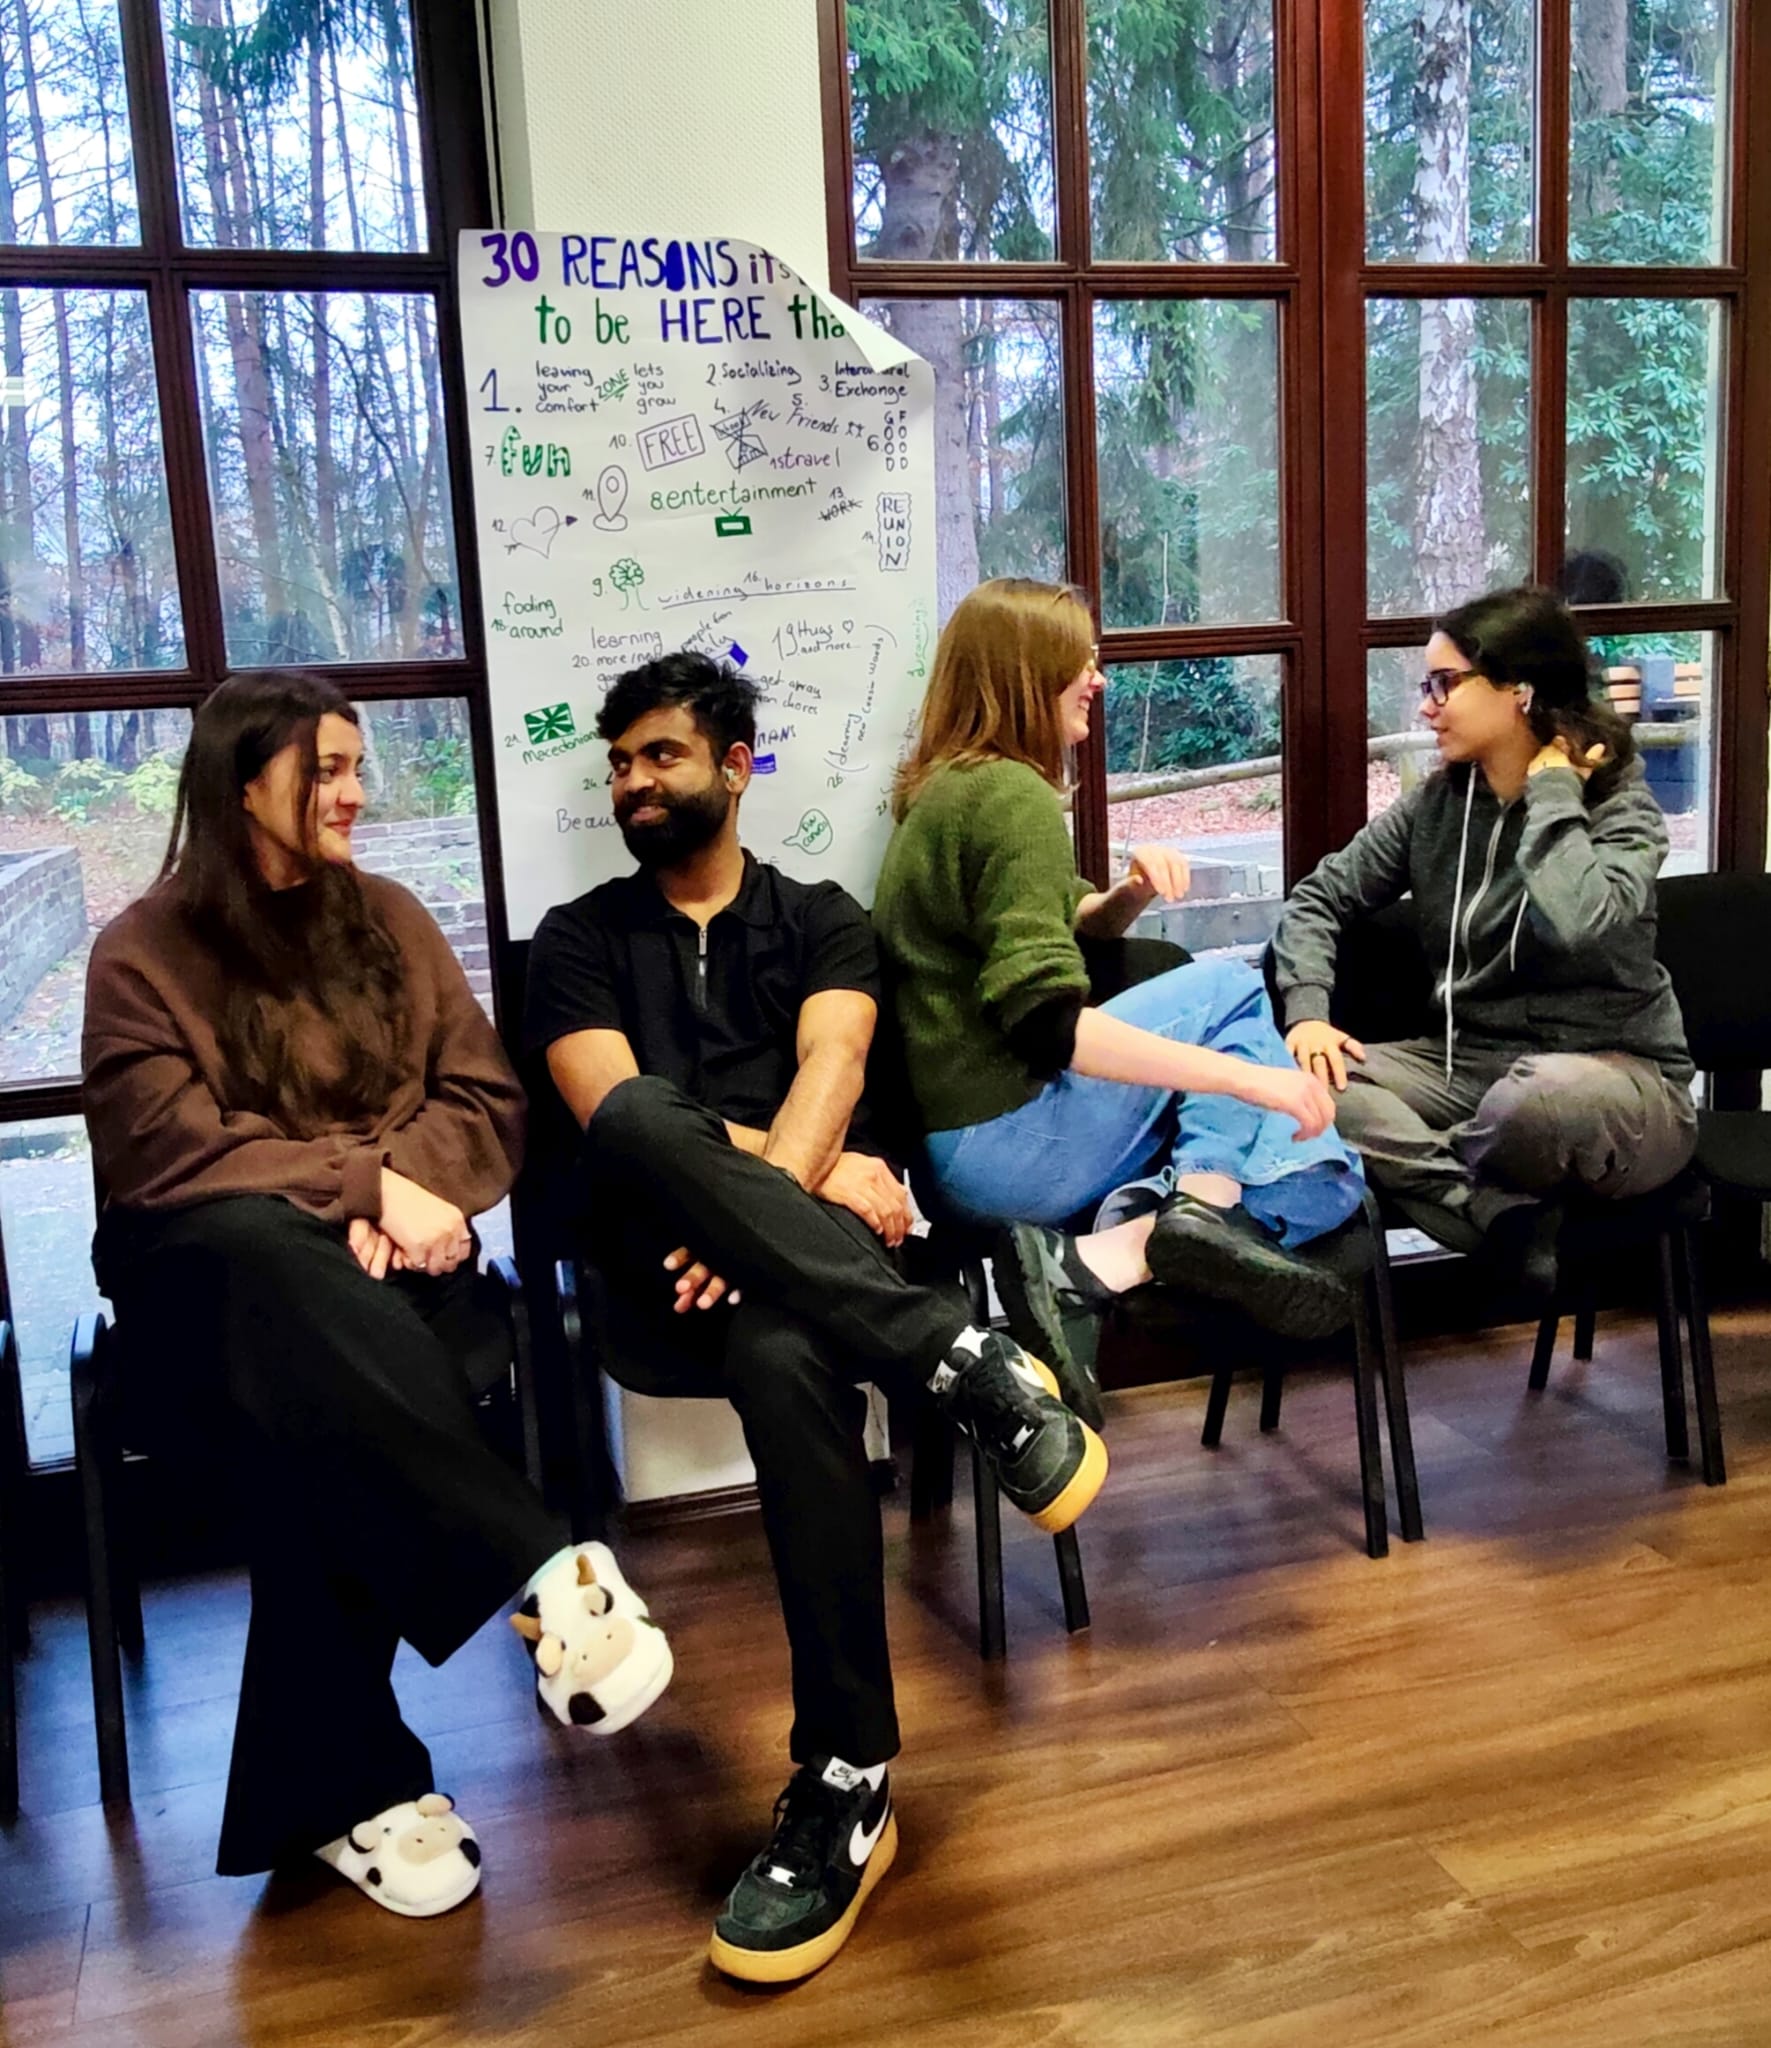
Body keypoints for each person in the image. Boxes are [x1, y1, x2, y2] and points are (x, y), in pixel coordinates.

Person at [524, 650, 1105, 1986]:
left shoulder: (825, 919)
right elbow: (606, 1112)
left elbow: (835, 1064)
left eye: (660, 755)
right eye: (618, 763)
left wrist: (749, 1212)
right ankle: (960, 1360)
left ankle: (848, 1776)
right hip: (662, 1281)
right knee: (642, 1116)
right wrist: (802, 1181)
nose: (632, 782)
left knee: (786, 1351)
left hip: (791, 1288)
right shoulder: (576, 940)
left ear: (735, 768)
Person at [81, 673, 668, 1920]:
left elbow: (483, 1094)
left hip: (394, 1296)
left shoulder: (391, 919)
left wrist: (403, 1199)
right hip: (202, 1310)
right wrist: (362, 1189)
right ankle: (539, 1567)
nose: (355, 793)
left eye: (357, 767)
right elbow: (165, 1152)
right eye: (326, 770)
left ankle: (340, 1792)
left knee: (325, 1425)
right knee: (262, 1257)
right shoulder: (139, 951)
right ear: (244, 783)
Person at [869, 577, 1366, 1409]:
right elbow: (1047, 1025)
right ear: (1026, 675)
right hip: (1006, 1148)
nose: (1096, 679)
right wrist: (1253, 1079)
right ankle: (1196, 1215)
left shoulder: (944, 792)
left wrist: (1126, 896)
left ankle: (1114, 1254)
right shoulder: (1010, 797)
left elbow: (1051, 919)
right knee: (1234, 1001)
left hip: (952, 1161)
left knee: (1308, 1153)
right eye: (1081, 661)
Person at [1273, 585, 1696, 1292]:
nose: (1427, 706)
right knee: (1296, 1086)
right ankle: (1490, 1208)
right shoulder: (1438, 804)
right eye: (1426, 686)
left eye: (1444, 683)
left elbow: (1576, 920)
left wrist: (1553, 792)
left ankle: (1439, 1174)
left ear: (1518, 691)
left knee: (1537, 1102)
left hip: (1611, 1078)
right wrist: (1308, 1013)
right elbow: (1318, 897)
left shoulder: (1621, 809)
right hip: (1462, 1066)